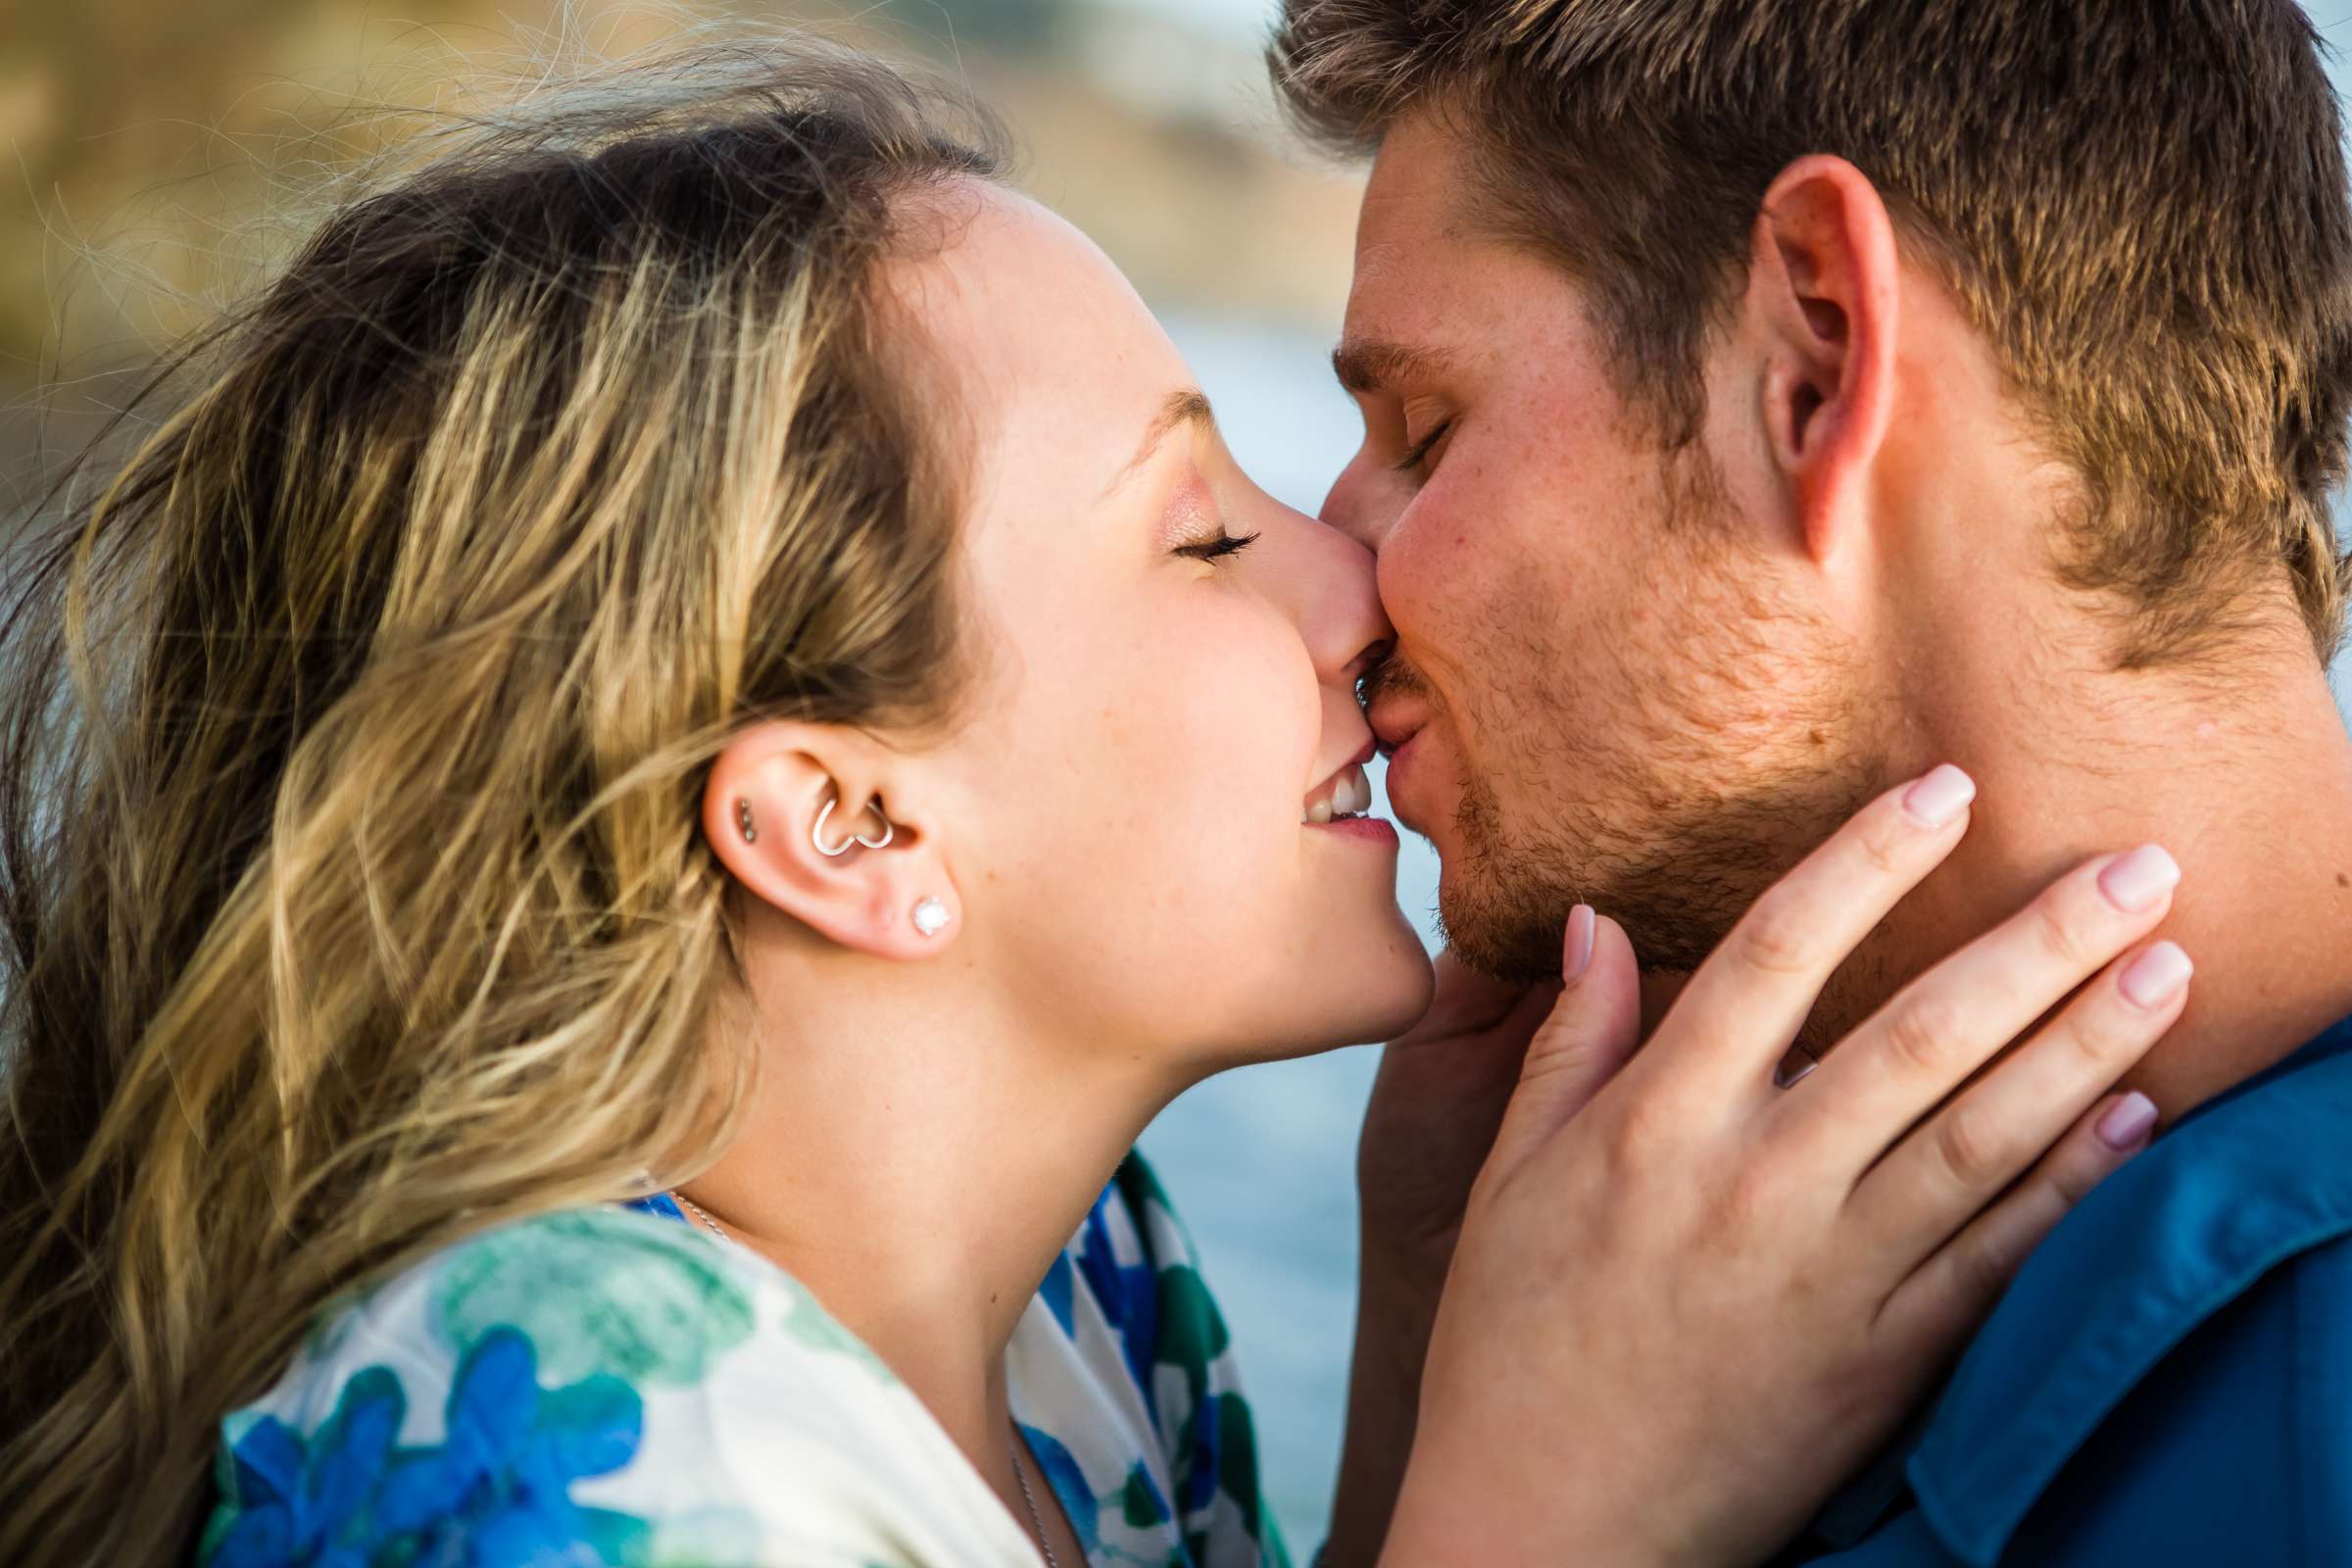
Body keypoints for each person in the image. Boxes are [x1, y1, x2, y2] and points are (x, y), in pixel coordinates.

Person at [0, 34, 2189, 1568]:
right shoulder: (581, 1458)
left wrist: (1429, 1301)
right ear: (846, 823)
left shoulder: (1072, 1302)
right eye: (1205, 534)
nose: (1359, 575)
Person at [1270, 0, 2352, 1562]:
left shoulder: (2303, 1456)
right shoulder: (1702, 1305)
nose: (1350, 588)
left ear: (1816, 364)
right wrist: (1432, 1389)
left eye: (1426, 433)